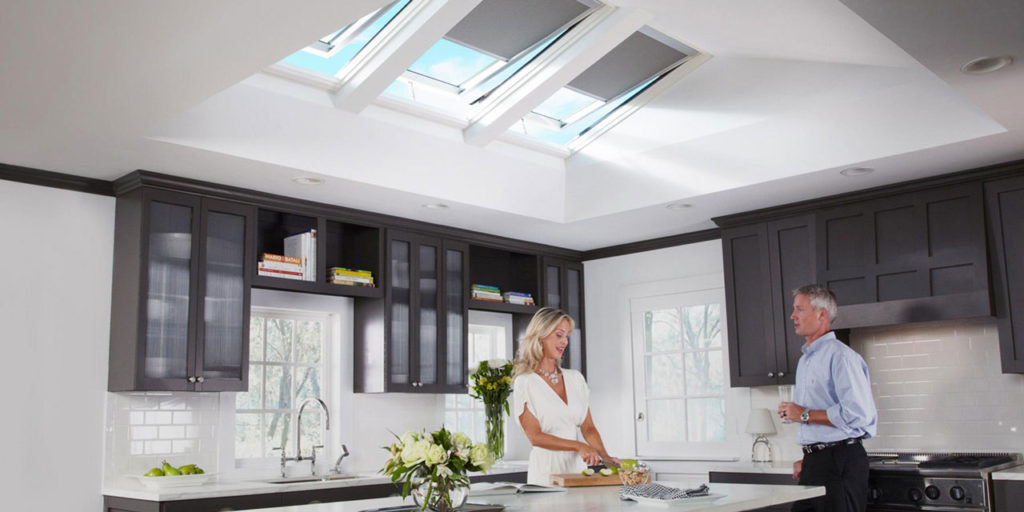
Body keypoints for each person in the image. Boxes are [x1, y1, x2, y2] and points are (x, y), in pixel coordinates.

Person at [778, 285, 877, 512]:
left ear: (821, 314)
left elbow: (857, 414)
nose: (792, 316)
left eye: (799, 310)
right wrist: (810, 457)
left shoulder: (841, 357)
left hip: (841, 461)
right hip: (817, 461)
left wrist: (802, 414)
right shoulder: (806, 360)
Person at [512, 307, 620, 485]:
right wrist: (579, 446)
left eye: (567, 336)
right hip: (545, 473)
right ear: (541, 335)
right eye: (559, 335)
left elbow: (588, 428)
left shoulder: (575, 378)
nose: (565, 342)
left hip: (575, 472)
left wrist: (605, 456)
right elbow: (535, 436)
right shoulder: (525, 382)